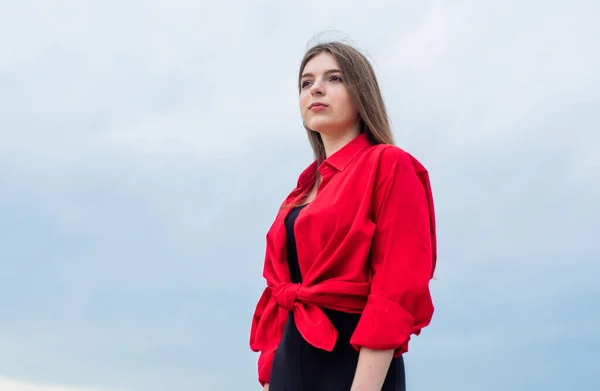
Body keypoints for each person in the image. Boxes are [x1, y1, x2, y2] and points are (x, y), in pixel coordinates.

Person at [249, 41, 437, 391]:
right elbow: (277, 301)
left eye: (333, 78)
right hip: (291, 365)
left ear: (361, 92)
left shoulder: (389, 165)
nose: (316, 88)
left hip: (354, 366)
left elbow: (395, 291)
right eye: (306, 83)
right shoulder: (299, 193)